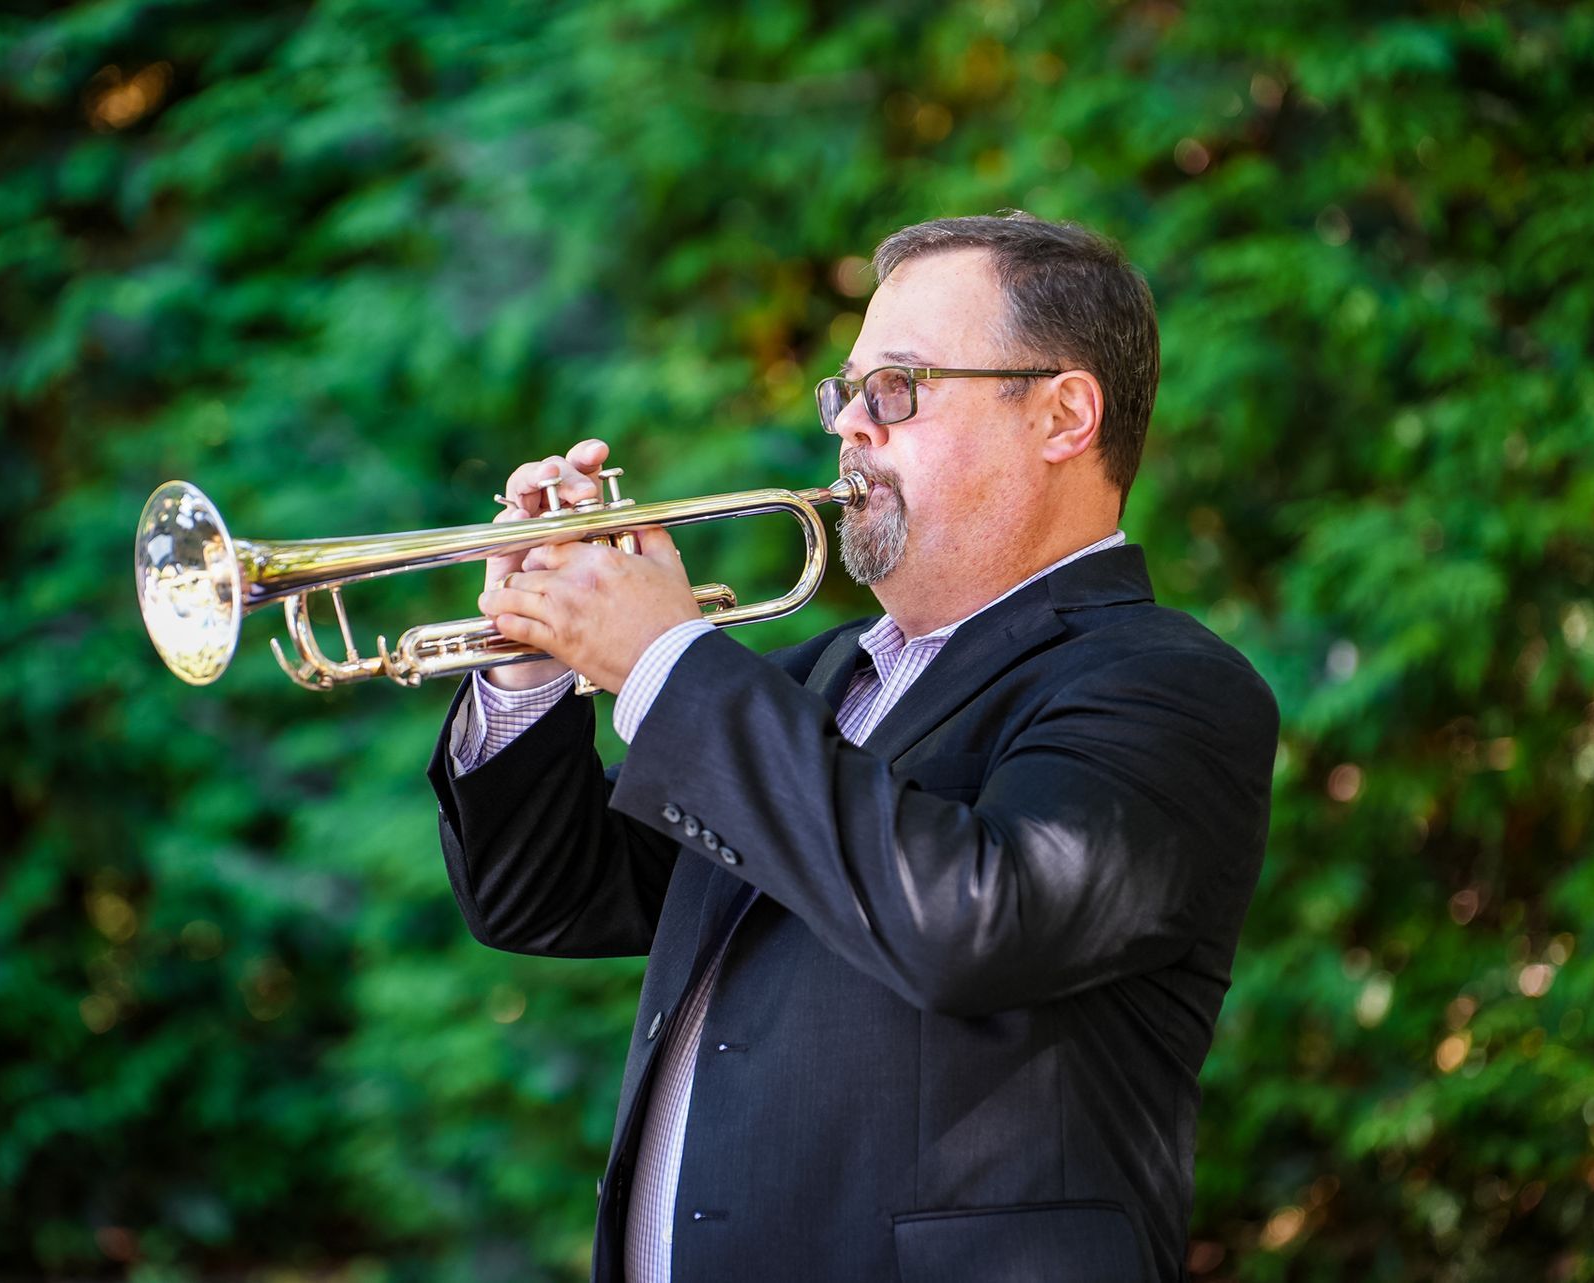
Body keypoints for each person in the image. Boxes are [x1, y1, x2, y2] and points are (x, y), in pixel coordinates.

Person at [426, 211, 1278, 1283]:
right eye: (846, 392)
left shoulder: (1166, 685)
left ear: (1064, 414)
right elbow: (541, 894)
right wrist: (532, 658)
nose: (850, 428)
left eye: (898, 389)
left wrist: (666, 665)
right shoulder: (814, 683)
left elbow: (976, 918)